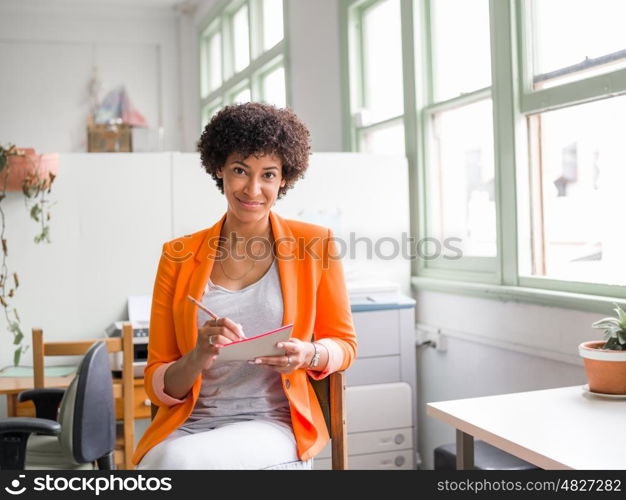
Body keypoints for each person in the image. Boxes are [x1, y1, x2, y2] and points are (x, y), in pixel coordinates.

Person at [133, 102, 357, 469]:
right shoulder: (177, 255)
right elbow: (159, 380)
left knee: (175, 464)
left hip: (272, 423)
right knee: (156, 465)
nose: (253, 189)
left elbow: (345, 346)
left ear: (284, 178)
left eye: (268, 174)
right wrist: (198, 355)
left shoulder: (314, 245)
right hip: (190, 425)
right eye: (240, 170)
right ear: (219, 168)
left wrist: (308, 354)